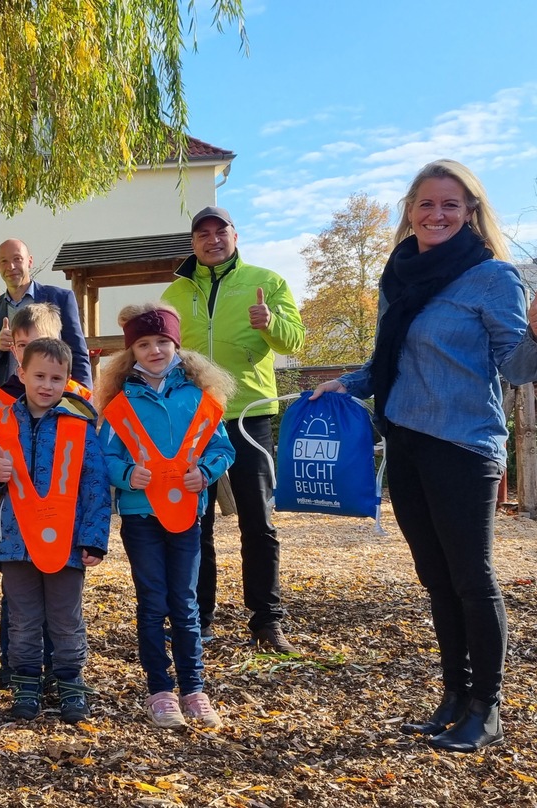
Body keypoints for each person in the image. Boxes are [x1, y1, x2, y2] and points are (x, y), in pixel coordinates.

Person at [311, 160, 537, 753]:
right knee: (436, 579)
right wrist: (348, 383)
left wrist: (536, 334)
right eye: (427, 204)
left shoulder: (492, 276)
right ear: (410, 210)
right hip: (405, 440)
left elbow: (517, 368)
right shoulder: (400, 272)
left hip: (462, 444)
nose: (437, 215)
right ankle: (453, 697)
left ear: (471, 214)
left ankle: (485, 707)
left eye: (451, 206)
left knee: (472, 578)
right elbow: (393, 356)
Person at [161, 206, 305, 653]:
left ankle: (266, 620)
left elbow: (294, 342)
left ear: (235, 236)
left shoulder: (267, 281)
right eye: (202, 233)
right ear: (193, 243)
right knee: (193, 523)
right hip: (192, 419)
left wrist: (271, 323)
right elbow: (159, 353)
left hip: (247, 414)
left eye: (219, 231)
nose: (212, 239)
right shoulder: (175, 293)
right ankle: (198, 619)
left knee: (258, 522)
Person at [98, 304, 236, 729]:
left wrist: (205, 473)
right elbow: (104, 457)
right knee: (152, 601)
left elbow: (222, 449)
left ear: (176, 344)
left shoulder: (199, 397)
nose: (154, 349)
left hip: (186, 513)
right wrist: (126, 474)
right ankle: (160, 691)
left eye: (162, 341)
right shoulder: (120, 403)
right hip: (141, 515)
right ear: (131, 351)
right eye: (143, 343)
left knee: (186, 603)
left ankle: (194, 689)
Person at [0, 338, 111, 724]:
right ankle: (26, 684)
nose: (47, 385)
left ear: (68, 379)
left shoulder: (79, 423)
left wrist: (93, 539)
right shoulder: (5, 421)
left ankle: (70, 683)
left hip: (67, 542)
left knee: (66, 617)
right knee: (23, 618)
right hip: (17, 543)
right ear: (22, 374)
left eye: (56, 378)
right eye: (39, 376)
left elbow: (96, 484)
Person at [0, 239, 91, 389]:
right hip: (9, 398)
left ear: (30, 261)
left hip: (52, 393)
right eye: (4, 261)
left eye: (17, 259)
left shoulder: (60, 298)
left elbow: (77, 352)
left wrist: (83, 396)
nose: (11, 266)